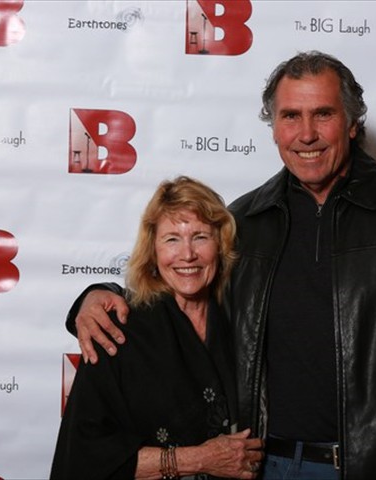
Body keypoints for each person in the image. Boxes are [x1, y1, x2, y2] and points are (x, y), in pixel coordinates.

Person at [65, 51, 376, 480]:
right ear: (273, 128)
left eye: (323, 114)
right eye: (291, 116)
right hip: (269, 467)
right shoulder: (245, 222)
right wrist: (99, 295)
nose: (306, 134)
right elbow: (183, 291)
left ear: (352, 123)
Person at [51, 176, 264, 479]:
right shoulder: (116, 329)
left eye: (200, 237)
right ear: (153, 250)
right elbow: (84, 456)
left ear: (220, 244)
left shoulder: (243, 321)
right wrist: (198, 459)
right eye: (172, 239)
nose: (187, 254)